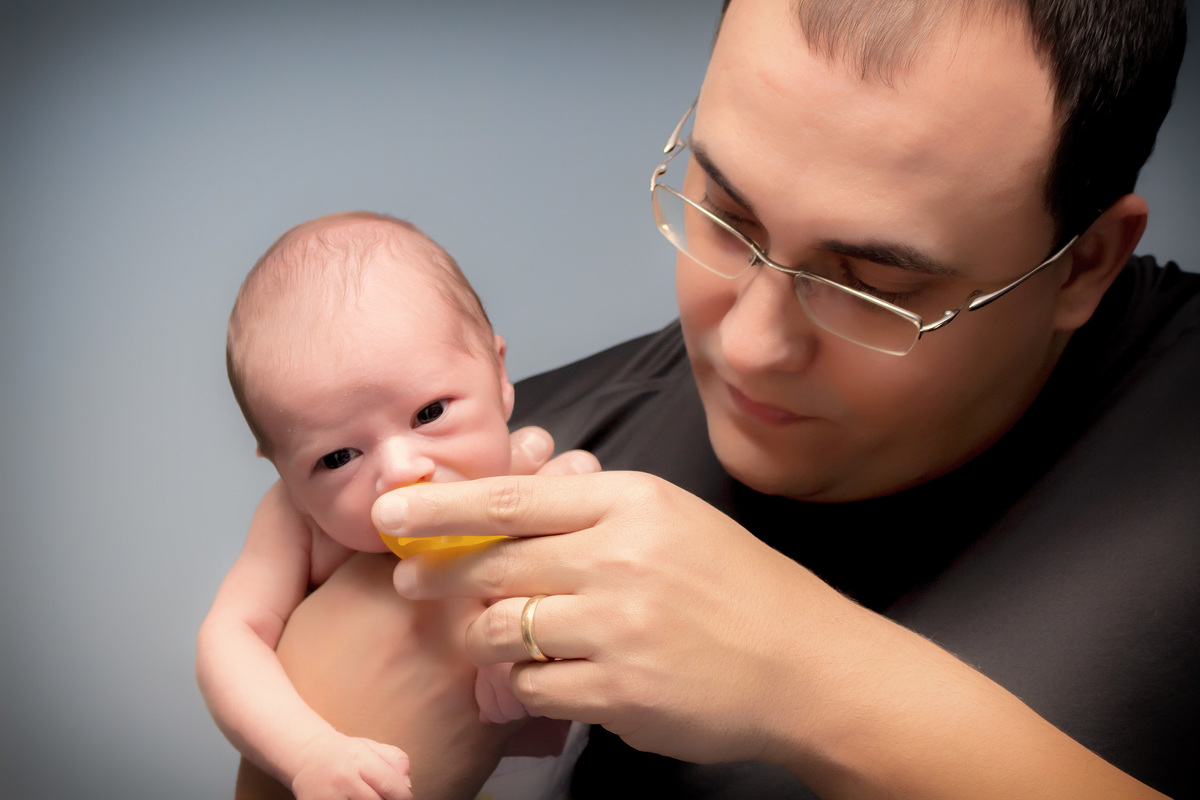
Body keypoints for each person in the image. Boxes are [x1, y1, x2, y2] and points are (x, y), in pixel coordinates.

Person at [264, 1, 1199, 798]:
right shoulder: (472, 475)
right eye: (725, 214)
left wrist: (819, 684)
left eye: (873, 285)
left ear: (1086, 263)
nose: (746, 345)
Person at [196, 212, 589, 800]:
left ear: (499, 374)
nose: (404, 470)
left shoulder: (527, 485)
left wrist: (517, 642)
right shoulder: (293, 522)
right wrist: (308, 751)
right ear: (283, 472)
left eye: (430, 413)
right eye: (338, 458)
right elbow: (228, 641)